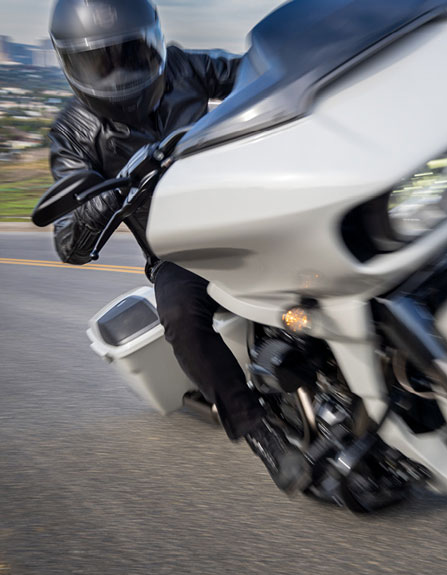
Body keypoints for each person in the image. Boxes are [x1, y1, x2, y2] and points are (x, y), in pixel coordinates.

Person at [47, 0, 308, 493]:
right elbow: (70, 242)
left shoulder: (183, 66)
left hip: (244, 210)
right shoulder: (73, 133)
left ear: (151, 40)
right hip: (178, 247)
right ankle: (259, 432)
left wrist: (296, 75)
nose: (120, 70)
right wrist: (116, 192)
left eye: (130, 53)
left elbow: (250, 73)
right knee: (182, 319)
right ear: (73, 65)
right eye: (102, 61)